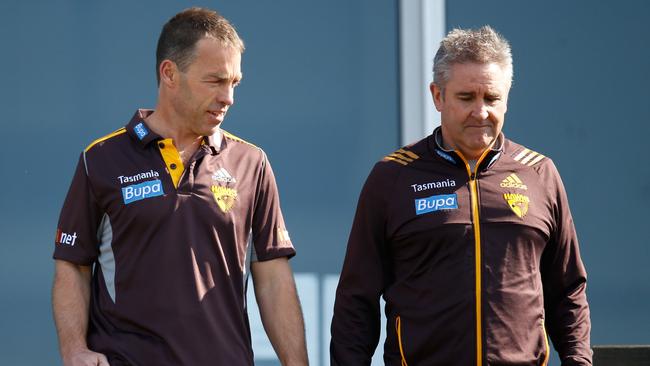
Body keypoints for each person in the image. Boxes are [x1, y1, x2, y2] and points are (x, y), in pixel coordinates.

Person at [52, 7, 308, 366]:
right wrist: (74, 350)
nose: (228, 97)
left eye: (234, 83)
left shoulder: (251, 163)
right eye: (215, 81)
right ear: (169, 73)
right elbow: (72, 265)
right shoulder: (101, 159)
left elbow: (273, 278)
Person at [331, 26, 591, 365]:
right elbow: (356, 300)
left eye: (492, 99)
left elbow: (568, 292)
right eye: (466, 97)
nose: (480, 112)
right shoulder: (393, 176)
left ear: (507, 98)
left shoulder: (540, 173)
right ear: (437, 96)